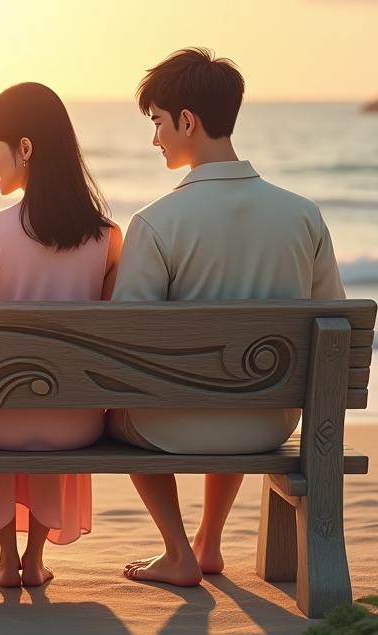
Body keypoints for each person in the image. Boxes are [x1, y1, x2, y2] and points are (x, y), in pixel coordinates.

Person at [110, 47, 345, 586]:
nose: (155, 139)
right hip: (268, 422)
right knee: (243, 378)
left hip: (167, 427)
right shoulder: (303, 215)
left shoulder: (156, 222)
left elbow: (125, 348)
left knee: (117, 410)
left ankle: (177, 550)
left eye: (158, 123)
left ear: (187, 121)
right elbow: (334, 322)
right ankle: (209, 541)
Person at [0, 83, 122, 587]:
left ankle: (7, 562)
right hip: (77, 425)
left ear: (25, 148)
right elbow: (109, 342)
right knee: (54, 395)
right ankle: (36, 558)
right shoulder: (109, 237)